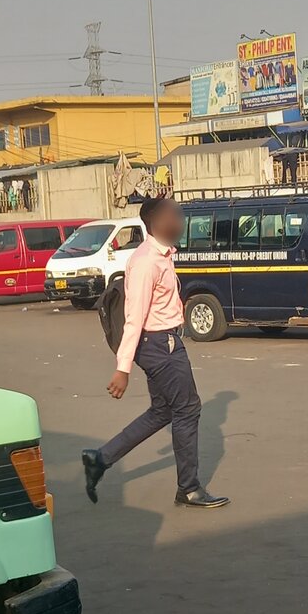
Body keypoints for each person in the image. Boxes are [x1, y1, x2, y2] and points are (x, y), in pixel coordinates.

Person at [82, 197, 229, 509]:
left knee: (162, 411)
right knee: (188, 409)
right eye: (174, 216)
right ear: (156, 223)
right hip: (160, 345)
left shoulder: (161, 254)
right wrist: (122, 368)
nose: (179, 222)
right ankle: (189, 489)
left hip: (162, 341)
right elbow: (134, 316)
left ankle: (100, 458)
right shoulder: (147, 261)